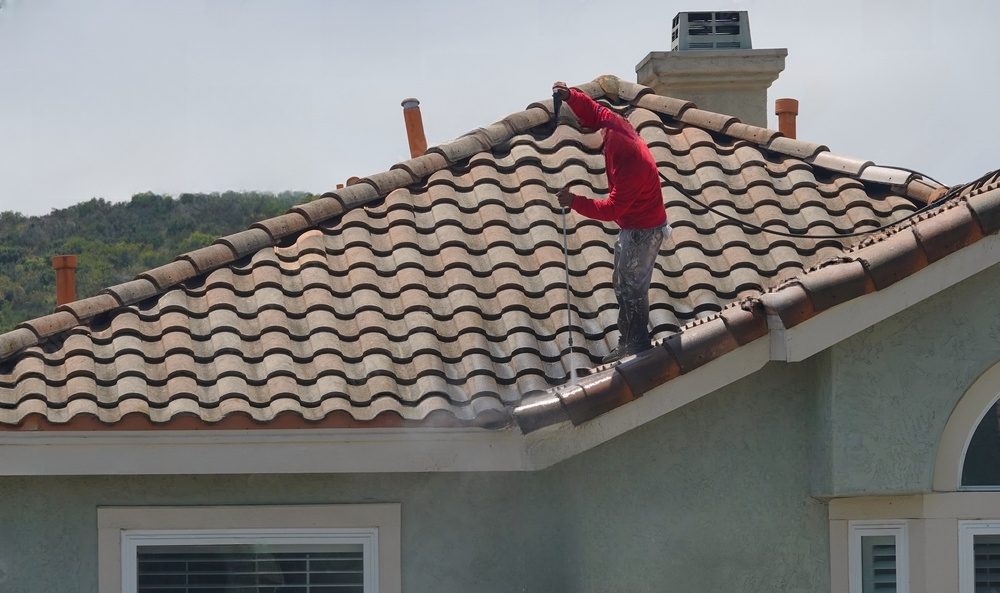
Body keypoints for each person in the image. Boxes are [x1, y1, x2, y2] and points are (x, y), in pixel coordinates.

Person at [552, 81, 670, 363]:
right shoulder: (610, 122)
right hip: (635, 224)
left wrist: (575, 202)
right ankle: (629, 338)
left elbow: (611, 209)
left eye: (582, 135)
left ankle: (635, 343)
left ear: (594, 131)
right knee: (622, 282)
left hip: (644, 229)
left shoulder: (625, 157)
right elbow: (590, 108)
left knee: (631, 285)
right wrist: (570, 95)